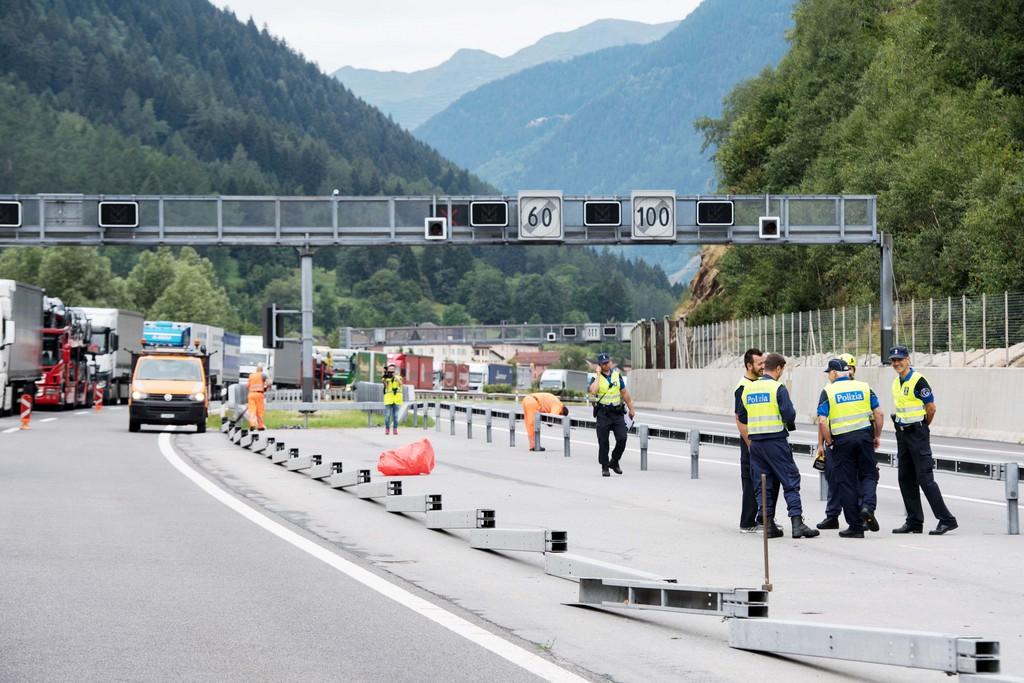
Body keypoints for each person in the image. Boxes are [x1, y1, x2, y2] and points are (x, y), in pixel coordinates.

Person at [737, 352, 818, 539]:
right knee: (790, 480)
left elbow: (742, 416)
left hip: (756, 443)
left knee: (763, 484)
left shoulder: (749, 389)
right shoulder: (777, 388)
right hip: (775, 441)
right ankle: (797, 523)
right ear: (779, 368)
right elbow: (789, 415)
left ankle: (768, 525)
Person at [888, 346, 958, 534]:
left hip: (917, 433)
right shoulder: (896, 382)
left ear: (908, 359)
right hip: (902, 434)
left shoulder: (918, 380)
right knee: (905, 478)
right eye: (893, 360)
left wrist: (923, 426)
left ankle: (947, 519)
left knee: (925, 478)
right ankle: (914, 521)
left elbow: (931, 407)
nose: (896, 363)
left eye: (900, 359)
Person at [817, 358, 884, 538]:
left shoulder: (828, 391)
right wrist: (877, 435)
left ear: (833, 373)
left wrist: (829, 442)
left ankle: (855, 526)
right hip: (864, 437)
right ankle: (868, 506)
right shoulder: (863, 387)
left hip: (842, 441)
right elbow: (879, 413)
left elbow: (822, 421)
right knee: (869, 474)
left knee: (846, 483)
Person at [735, 348, 780, 534]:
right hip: (752, 442)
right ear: (749, 365)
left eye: (764, 363)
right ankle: (747, 522)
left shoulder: (759, 384)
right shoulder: (743, 387)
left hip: (762, 440)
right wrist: (750, 444)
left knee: (767, 480)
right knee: (751, 480)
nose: (763, 366)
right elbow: (739, 418)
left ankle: (763, 518)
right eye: (759, 363)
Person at [587, 352, 635, 477]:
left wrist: (631, 409)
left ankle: (614, 461)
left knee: (622, 438)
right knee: (603, 442)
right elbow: (593, 391)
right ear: (599, 365)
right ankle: (604, 467)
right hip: (603, 413)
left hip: (617, 412)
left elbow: (624, 394)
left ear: (610, 362)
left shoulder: (617, 376)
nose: (606, 365)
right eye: (603, 363)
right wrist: (598, 375)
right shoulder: (595, 378)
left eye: (607, 362)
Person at [246, 363, 269, 431]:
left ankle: (252, 424)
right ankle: (260, 426)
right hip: (259, 394)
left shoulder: (251, 376)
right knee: (259, 411)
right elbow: (268, 383)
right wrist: (266, 388)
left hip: (251, 394)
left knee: (252, 410)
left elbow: (247, 386)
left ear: (256, 370)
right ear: (261, 370)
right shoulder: (263, 375)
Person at [382, 363, 403, 435]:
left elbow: (401, 383)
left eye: (392, 370)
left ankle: (395, 429)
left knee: (396, 416)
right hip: (388, 399)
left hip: (397, 399)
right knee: (387, 415)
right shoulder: (386, 378)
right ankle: (387, 429)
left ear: (395, 370)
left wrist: (395, 377)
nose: (391, 371)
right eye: (390, 370)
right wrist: (384, 380)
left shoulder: (399, 377)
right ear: (388, 370)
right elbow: (386, 387)